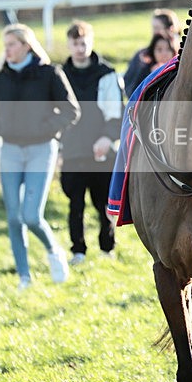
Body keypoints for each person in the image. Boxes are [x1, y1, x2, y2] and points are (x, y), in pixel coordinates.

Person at [0, 24, 80, 290]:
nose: (7, 50)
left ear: (26, 45)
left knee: (31, 216)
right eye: (5, 45)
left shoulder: (49, 74)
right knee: (14, 217)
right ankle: (24, 277)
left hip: (41, 149)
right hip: (10, 151)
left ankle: (53, 251)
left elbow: (71, 111)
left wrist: (44, 128)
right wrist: (2, 128)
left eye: (12, 44)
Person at [60, 21, 123, 265]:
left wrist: (107, 137)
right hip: (73, 151)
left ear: (91, 42)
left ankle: (107, 247)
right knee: (75, 204)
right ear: (68, 44)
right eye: (75, 43)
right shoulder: (60, 75)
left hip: (101, 150)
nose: (80, 48)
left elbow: (115, 111)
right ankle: (78, 251)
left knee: (103, 203)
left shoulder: (106, 74)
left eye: (83, 42)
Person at [123, 8, 181, 98]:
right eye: (153, 28)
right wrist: (149, 73)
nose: (154, 32)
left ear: (170, 29)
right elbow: (131, 87)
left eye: (157, 28)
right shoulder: (141, 56)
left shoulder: (180, 55)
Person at [123, 32, 179, 97]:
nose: (164, 53)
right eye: (159, 49)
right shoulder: (145, 70)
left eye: (168, 49)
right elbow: (134, 94)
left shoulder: (178, 71)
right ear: (153, 51)